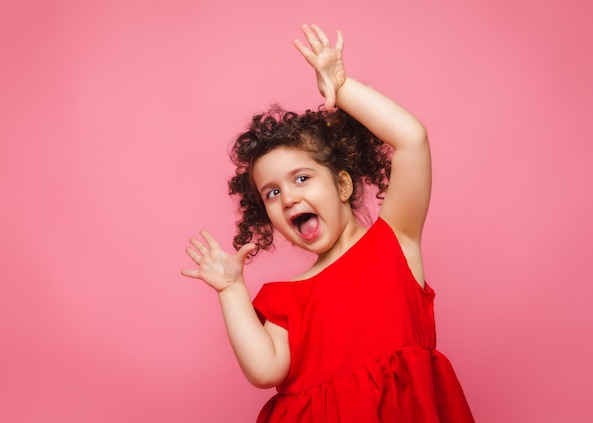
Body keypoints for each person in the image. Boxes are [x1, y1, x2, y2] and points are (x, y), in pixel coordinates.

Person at [182, 24, 474, 423]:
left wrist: (342, 85)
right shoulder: (284, 298)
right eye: (271, 193)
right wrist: (232, 289)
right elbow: (265, 370)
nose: (288, 197)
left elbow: (411, 139)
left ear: (341, 183)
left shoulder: (394, 243)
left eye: (302, 178)